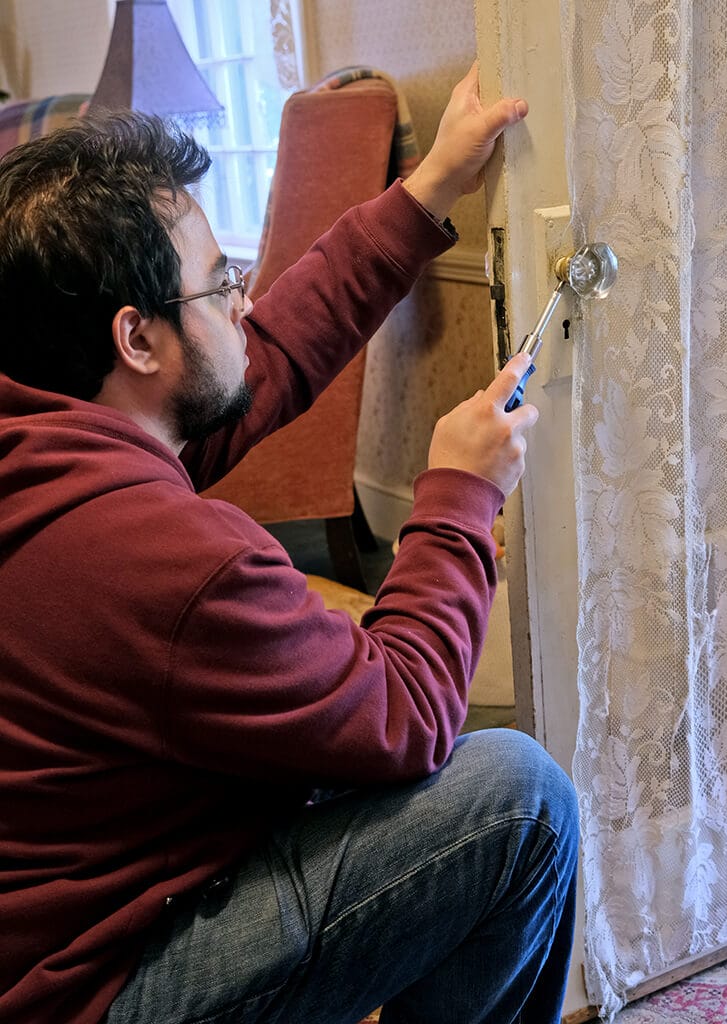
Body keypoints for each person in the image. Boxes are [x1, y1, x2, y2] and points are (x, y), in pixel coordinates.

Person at [0, 65, 578, 1024]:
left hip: (47, 932)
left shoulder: (53, 432)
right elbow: (407, 713)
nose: (241, 301)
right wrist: (458, 498)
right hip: (99, 987)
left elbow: (259, 361)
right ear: (135, 339)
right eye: (220, 282)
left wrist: (427, 187)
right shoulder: (172, 562)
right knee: (512, 798)